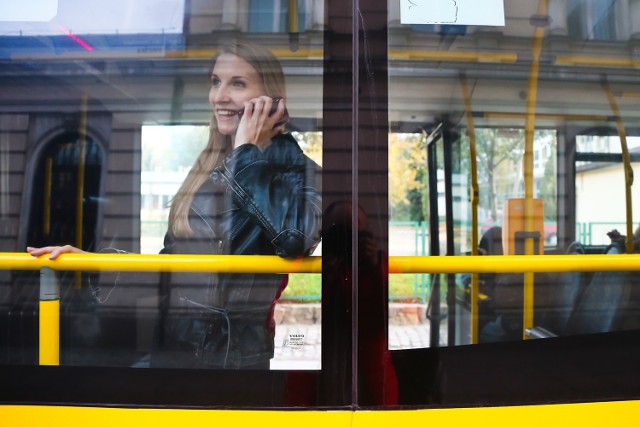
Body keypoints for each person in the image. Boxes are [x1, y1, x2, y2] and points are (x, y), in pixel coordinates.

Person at [28, 41, 322, 369]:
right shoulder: (210, 164)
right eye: (215, 82)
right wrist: (98, 263)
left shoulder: (298, 168)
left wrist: (245, 152)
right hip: (175, 346)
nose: (219, 96)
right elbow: (174, 265)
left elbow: (297, 237)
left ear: (270, 100)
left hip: (228, 360)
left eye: (237, 84)